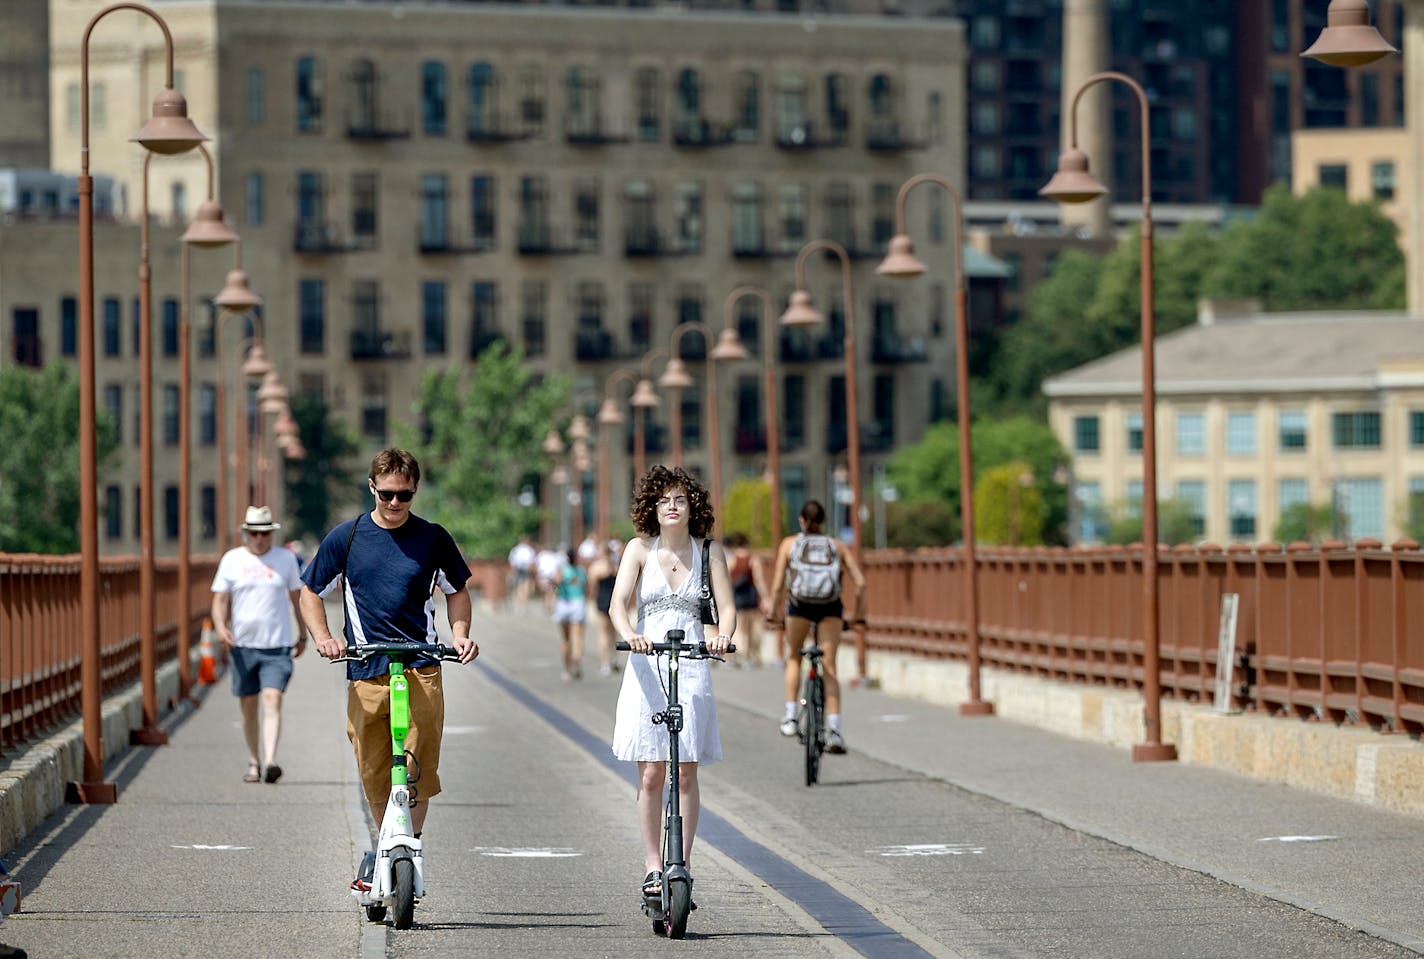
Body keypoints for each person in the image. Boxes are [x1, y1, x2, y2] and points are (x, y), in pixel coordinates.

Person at [299, 448, 478, 891]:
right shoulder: (349, 536)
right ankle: (385, 846)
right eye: (388, 495)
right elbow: (310, 592)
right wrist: (324, 638)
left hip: (420, 664)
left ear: (415, 491)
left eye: (405, 496)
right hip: (366, 665)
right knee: (374, 764)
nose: (396, 504)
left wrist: (459, 634)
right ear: (372, 488)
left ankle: (405, 846)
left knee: (418, 763)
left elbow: (456, 591)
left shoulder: (433, 538)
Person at [609, 465, 735, 907]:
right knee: (651, 770)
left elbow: (727, 607)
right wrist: (630, 633)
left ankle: (681, 864)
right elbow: (617, 605)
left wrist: (721, 634)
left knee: (685, 769)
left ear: (692, 506)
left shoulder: (709, 552)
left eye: (680, 500)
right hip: (648, 662)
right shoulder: (639, 549)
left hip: (692, 660)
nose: (673, 507)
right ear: (653, 509)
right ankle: (651, 866)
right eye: (664, 501)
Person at [210, 505, 306, 785]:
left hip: (276, 646)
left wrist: (303, 634)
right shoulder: (232, 559)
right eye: (254, 533)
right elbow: (219, 599)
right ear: (246, 534)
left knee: (272, 699)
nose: (259, 538)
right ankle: (254, 761)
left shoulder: (286, 559)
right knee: (248, 705)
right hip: (243, 646)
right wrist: (220, 626)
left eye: (264, 533)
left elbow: (296, 597)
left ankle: (271, 761)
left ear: (271, 534)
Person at [767, 499, 865, 754]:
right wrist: (860, 615)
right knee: (829, 666)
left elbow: (778, 585)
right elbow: (861, 583)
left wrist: (773, 613)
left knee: (793, 657)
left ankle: (790, 717)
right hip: (830, 608)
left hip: (799, 607)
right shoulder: (837, 546)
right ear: (823, 522)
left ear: (801, 520)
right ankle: (834, 731)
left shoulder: (790, 544)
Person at [724, 531, 768, 668]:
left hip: (737, 597)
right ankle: (748, 656)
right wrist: (766, 597)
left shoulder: (732, 559)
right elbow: (759, 580)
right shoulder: (752, 559)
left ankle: (735, 654)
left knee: (739, 627)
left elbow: (727, 580)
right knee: (750, 628)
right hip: (750, 596)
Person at [552, 547, 588, 681]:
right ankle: (576, 663)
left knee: (566, 639)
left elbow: (555, 584)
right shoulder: (580, 571)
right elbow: (586, 588)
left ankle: (567, 669)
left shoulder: (562, 570)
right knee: (577, 637)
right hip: (578, 602)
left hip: (564, 603)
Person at [587, 539, 621, 677]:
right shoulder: (616, 566)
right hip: (613, 601)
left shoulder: (596, 567)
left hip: (602, 600)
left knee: (602, 633)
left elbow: (592, 586)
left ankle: (604, 663)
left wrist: (591, 598)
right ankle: (614, 659)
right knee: (613, 633)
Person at [507, 534, 536, 609]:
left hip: (518, 569)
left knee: (519, 587)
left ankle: (520, 603)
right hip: (525, 569)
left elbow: (512, 560)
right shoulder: (528, 549)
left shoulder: (516, 549)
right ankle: (523, 603)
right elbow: (531, 561)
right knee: (525, 586)